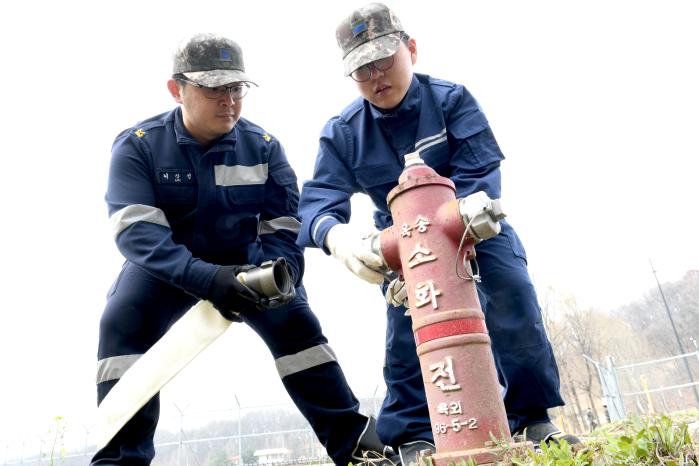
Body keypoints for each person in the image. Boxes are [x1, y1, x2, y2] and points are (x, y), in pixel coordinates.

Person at [94, 33, 392, 466]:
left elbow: (285, 229)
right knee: (121, 320)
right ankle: (121, 459)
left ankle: (359, 451)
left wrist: (282, 276)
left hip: (248, 262)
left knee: (298, 327)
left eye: (235, 89)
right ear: (176, 89)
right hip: (166, 267)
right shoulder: (138, 145)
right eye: (214, 88)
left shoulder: (265, 149)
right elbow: (138, 234)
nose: (228, 100)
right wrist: (205, 278)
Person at [297, 3, 577, 462]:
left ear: (411, 49)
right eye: (362, 69)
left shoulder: (450, 100)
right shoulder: (344, 133)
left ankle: (532, 419)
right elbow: (316, 203)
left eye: (384, 59)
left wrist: (459, 225)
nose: (376, 76)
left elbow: (482, 171)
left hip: (472, 221)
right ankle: (413, 434)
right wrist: (336, 238)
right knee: (405, 328)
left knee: (513, 297)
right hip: (405, 244)